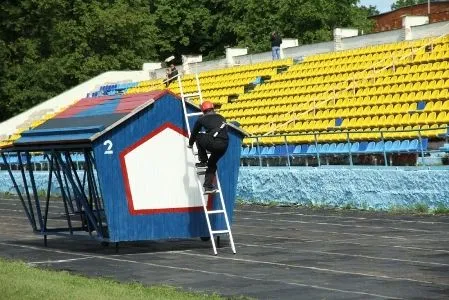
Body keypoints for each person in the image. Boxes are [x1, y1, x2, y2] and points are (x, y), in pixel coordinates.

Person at [188, 101, 228, 194]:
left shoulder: (201, 119)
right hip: (224, 146)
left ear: (203, 110)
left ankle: (203, 161)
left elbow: (194, 134)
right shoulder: (222, 117)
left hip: (213, 143)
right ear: (213, 109)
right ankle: (208, 187)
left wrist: (190, 144)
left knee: (198, 136)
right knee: (212, 164)